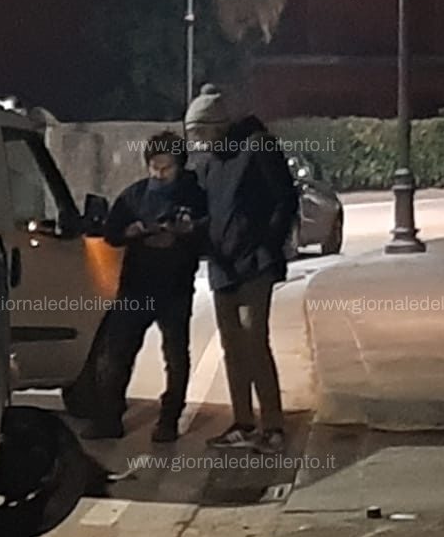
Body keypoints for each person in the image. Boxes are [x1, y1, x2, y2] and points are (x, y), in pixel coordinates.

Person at [185, 84, 299, 454]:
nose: (197, 141)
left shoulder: (258, 147)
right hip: (223, 266)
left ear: (215, 125)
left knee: (254, 341)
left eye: (200, 132)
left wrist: (267, 243)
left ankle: (273, 425)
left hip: (255, 265)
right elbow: (203, 210)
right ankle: (243, 422)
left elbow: (285, 198)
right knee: (232, 346)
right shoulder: (207, 164)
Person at [81, 130, 207, 443]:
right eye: (155, 166)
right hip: (136, 287)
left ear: (180, 165)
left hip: (175, 288)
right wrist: (132, 230)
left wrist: (186, 232)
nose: (160, 173)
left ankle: (168, 421)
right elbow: (110, 234)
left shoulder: (196, 195)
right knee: (116, 353)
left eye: (167, 167)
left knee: (175, 356)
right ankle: (109, 418)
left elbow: (210, 234)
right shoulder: (134, 195)